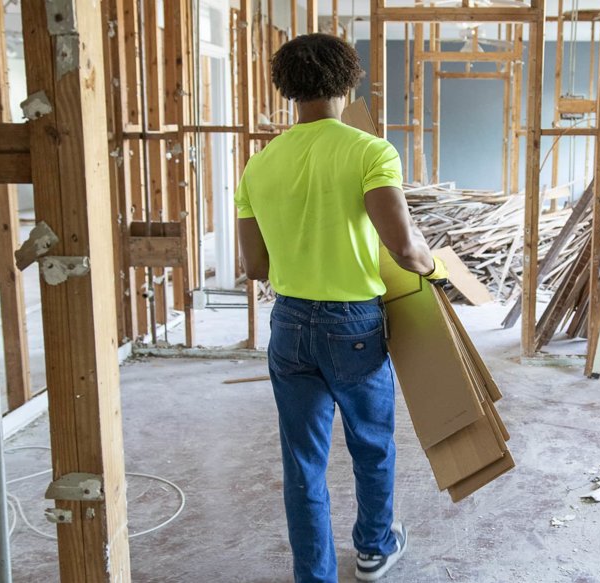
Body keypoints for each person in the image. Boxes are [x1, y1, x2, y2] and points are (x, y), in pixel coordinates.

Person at [234, 33, 447, 583]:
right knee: (371, 445)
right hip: (353, 324)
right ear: (349, 81)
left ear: (286, 88)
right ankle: (374, 550)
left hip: (288, 324)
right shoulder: (370, 151)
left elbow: (255, 266)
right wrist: (436, 271)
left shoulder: (259, 165)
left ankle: (315, 575)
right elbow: (404, 248)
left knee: (302, 462)